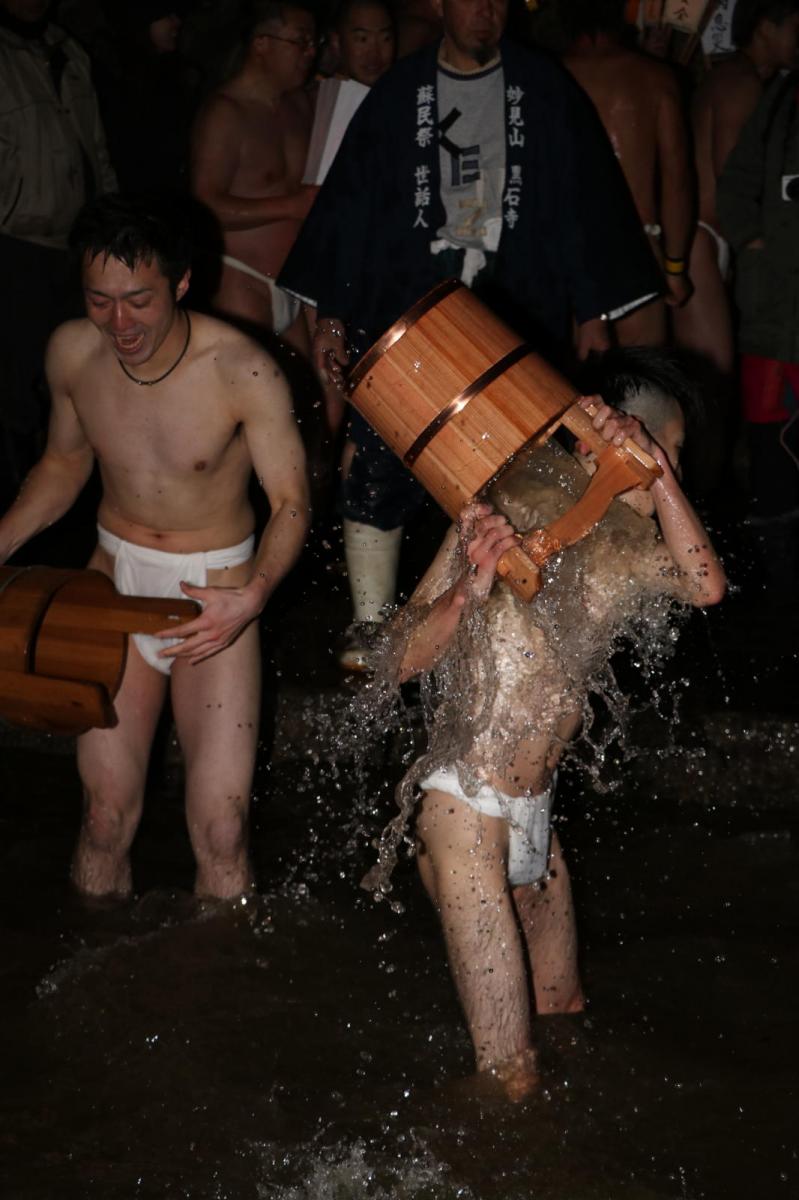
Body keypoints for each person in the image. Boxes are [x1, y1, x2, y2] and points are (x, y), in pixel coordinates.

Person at [363, 350, 726, 1099]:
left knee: (563, 1013)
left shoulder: (636, 546)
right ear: (599, 436)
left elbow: (705, 585)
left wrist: (656, 476)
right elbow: (394, 661)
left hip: (534, 812)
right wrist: (466, 592)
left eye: (670, 458)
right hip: (464, 805)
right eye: (668, 450)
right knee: (510, 1075)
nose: (670, 471)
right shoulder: (509, 498)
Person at [279, 0, 663, 672]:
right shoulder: (400, 93)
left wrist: (591, 311)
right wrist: (332, 316)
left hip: (519, 308)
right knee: (381, 448)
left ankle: (524, 608)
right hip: (413, 310)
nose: (482, 12)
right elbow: (349, 209)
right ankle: (371, 621)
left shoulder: (541, 89)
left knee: (523, 459)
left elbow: (581, 202)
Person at [0, 194, 310, 900]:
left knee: (221, 829)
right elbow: (62, 464)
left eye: (138, 300)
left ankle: (220, 994)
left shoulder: (242, 369)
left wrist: (253, 596)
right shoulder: (73, 352)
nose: (119, 323)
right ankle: (94, 987)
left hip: (216, 598)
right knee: (104, 817)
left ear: (180, 283)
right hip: (113, 585)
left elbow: (292, 502)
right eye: (100, 300)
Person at [0, 0, 116, 513]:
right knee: (12, 390)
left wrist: (113, 227)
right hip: (13, 246)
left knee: (79, 377)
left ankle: (69, 507)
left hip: (76, 244)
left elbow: (95, 144)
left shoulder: (68, 50)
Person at [672, 0, 799, 379]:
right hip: (704, 240)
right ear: (764, 28)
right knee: (712, 379)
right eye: (795, 26)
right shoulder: (740, 84)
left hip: (712, 242)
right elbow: (734, 181)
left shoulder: (747, 81)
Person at [562, 0, 693, 345]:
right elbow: (677, 180)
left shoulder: (546, 77)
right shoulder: (654, 79)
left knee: (574, 390)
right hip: (639, 253)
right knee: (642, 387)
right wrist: (675, 267)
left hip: (573, 258)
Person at [190, 0, 319, 352]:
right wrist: (291, 206)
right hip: (241, 279)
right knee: (251, 399)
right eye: (300, 41)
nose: (310, 52)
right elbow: (205, 207)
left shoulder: (300, 105)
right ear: (261, 43)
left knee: (310, 405)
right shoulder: (225, 113)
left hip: (294, 283)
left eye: (314, 43)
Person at [717, 55, 799, 597]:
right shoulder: (784, 98)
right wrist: (752, 241)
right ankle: (782, 574)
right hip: (776, 317)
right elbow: (738, 179)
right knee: (771, 441)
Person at [329, 0, 395, 86]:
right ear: (336, 43)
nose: (374, 54)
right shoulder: (320, 97)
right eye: (363, 39)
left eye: (386, 39)